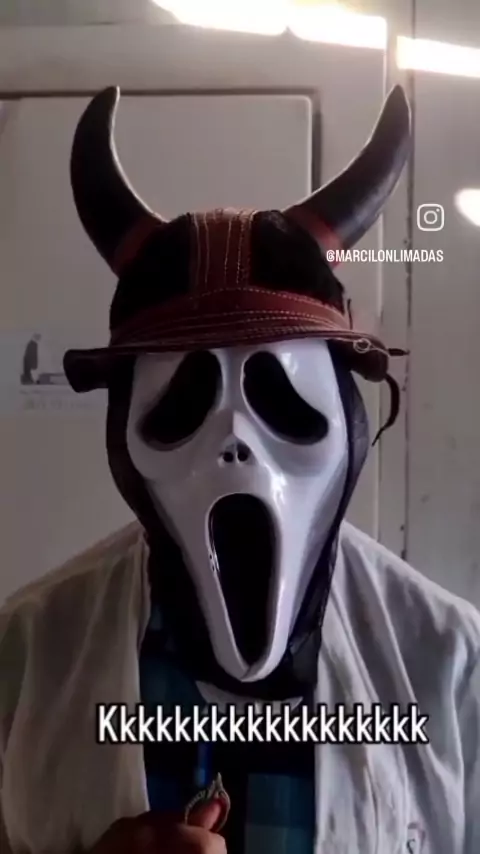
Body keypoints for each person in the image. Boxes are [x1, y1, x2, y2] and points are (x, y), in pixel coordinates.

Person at [0, 85, 479, 854]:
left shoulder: (453, 664)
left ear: (349, 422)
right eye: (182, 408)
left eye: (283, 406)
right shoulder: (24, 655)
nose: (236, 446)